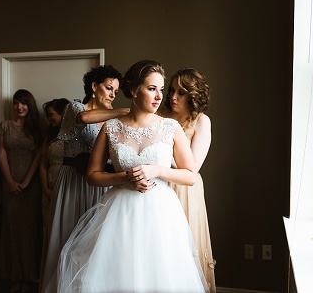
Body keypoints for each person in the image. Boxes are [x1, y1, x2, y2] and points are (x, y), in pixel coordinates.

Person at [56, 59, 208, 292]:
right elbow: (92, 175)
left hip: (161, 213)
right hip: (119, 212)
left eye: (160, 89)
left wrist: (156, 170)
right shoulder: (111, 127)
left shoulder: (170, 127)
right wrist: (124, 177)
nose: (159, 96)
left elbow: (190, 175)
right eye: (151, 89)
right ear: (134, 91)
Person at [40, 65, 128, 293]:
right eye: (109, 88)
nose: (112, 95)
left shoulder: (109, 122)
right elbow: (85, 117)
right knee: (67, 235)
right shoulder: (75, 107)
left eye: (115, 92)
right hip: (72, 184)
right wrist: (123, 111)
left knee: (93, 245)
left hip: (97, 185)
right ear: (94, 86)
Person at [157, 67, 216, 292]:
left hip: (184, 191)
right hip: (157, 186)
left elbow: (191, 167)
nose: (172, 97)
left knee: (182, 249)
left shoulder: (201, 122)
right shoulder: (159, 116)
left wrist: (161, 154)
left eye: (180, 93)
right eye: (171, 90)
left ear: (193, 95)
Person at [0, 89, 43, 293]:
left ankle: (29, 278)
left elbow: (39, 158)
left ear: (29, 105)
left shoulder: (37, 129)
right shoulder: (4, 127)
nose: (19, 107)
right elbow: (1, 153)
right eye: (16, 103)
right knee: (11, 230)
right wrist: (9, 181)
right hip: (8, 186)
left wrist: (25, 182)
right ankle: (14, 277)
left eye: (23, 103)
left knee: (28, 232)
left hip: (31, 188)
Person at [39, 98, 70, 246]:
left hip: (67, 187)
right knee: (49, 227)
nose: (49, 118)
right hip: (49, 191)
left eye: (52, 114)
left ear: (62, 114)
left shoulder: (73, 135)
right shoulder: (49, 137)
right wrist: (45, 188)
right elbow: (43, 165)